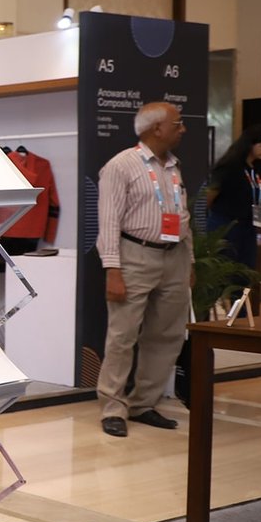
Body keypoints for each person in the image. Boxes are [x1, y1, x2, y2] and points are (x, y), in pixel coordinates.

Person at [96, 100, 193, 438]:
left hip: (175, 256)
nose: (183, 129)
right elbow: (108, 222)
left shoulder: (174, 166)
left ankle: (143, 404)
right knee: (123, 336)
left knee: (166, 335)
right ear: (157, 129)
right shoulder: (121, 165)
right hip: (134, 255)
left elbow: (182, 216)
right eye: (177, 124)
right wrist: (113, 269)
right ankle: (113, 407)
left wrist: (190, 261)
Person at [205, 123, 261, 268]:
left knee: (245, 271)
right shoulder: (229, 167)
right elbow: (207, 198)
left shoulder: (253, 169)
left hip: (247, 229)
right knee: (226, 271)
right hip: (226, 228)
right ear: (250, 144)